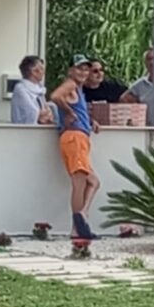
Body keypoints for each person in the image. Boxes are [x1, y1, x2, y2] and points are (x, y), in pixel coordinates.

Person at [51, 54, 100, 240]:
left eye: (86, 69)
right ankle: (77, 227)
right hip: (74, 137)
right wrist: (69, 112)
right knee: (79, 184)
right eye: (79, 68)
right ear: (71, 70)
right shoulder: (71, 84)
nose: (83, 72)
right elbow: (55, 96)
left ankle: (82, 217)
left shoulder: (78, 89)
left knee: (93, 182)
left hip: (80, 136)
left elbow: (77, 109)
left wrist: (90, 121)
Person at [10, 55, 55, 125]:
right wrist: (41, 114)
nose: (43, 72)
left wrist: (48, 113)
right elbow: (31, 111)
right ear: (33, 71)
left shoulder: (39, 88)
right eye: (41, 69)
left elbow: (46, 109)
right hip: (25, 131)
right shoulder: (21, 89)